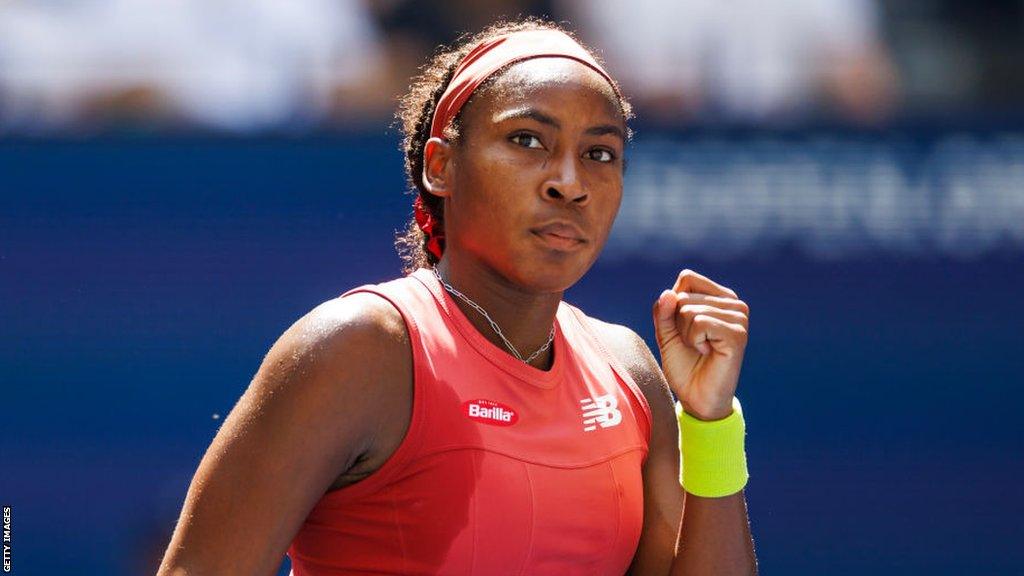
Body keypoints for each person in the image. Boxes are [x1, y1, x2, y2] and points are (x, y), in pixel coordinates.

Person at [157, 18, 757, 576]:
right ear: (440, 165)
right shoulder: (358, 349)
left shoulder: (627, 368)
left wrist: (710, 422)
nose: (569, 183)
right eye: (527, 140)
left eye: (600, 154)